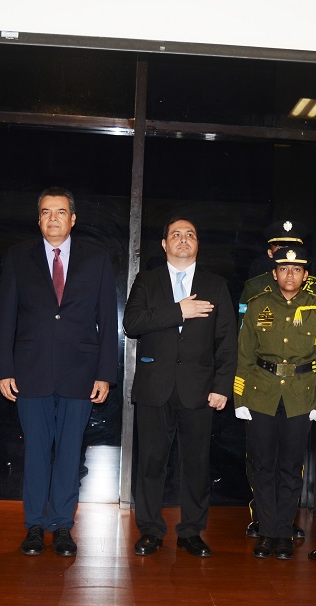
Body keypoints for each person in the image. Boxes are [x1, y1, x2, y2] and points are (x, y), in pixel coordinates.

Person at [0, 186, 118, 557]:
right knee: (35, 451)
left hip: (80, 372)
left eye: (60, 212)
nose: (53, 219)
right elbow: (5, 318)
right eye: (46, 212)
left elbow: (107, 319)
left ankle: (62, 525)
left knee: (68, 453)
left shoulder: (96, 259)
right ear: (38, 219)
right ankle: (34, 526)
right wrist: (2, 368)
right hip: (29, 372)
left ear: (73, 219)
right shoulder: (18, 257)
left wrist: (105, 373)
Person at [123, 218, 237, 558]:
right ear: (164, 244)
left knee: (196, 465)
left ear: (198, 243)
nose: (183, 240)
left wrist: (222, 386)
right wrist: (179, 311)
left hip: (200, 390)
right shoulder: (147, 280)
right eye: (176, 234)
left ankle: (191, 532)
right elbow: (132, 324)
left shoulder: (215, 285)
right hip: (154, 388)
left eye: (190, 234)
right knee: (151, 464)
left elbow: (228, 341)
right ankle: (150, 531)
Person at [234, 247, 316, 560]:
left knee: (291, 468)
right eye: (283, 269)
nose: (289, 275)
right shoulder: (257, 305)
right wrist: (240, 397)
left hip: (301, 396)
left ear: (305, 275)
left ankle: (284, 532)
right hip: (261, 393)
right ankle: (266, 532)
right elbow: (245, 354)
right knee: (263, 466)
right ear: (274, 273)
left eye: (296, 269)